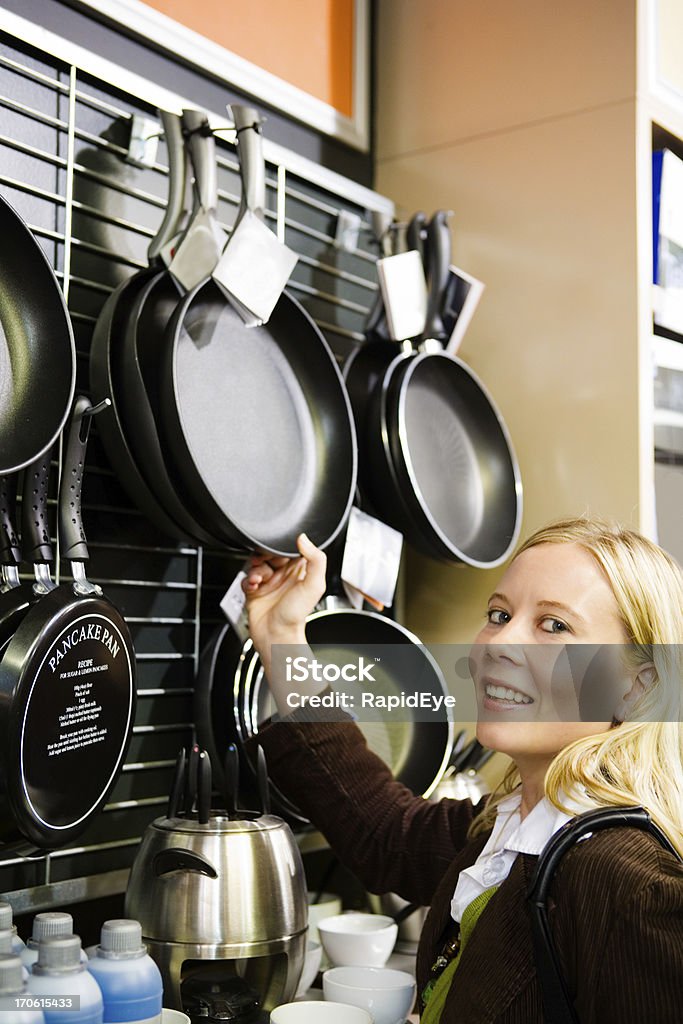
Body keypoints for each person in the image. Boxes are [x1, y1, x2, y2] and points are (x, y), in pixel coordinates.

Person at [242, 517, 683, 1023]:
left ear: (636, 688)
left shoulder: (635, 887)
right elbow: (387, 834)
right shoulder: (511, 828)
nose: (500, 643)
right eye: (498, 614)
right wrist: (281, 635)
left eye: (555, 625)